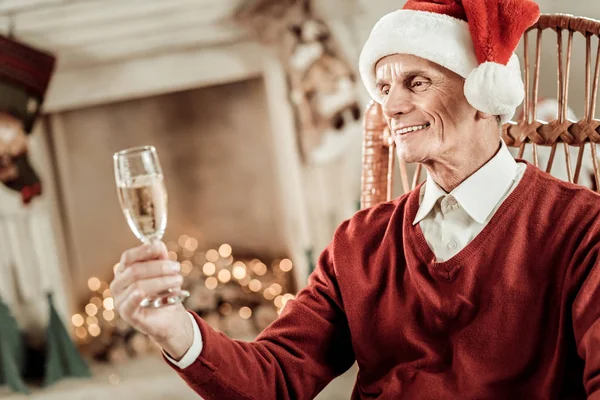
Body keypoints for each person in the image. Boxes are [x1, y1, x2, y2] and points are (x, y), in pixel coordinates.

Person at [110, 0, 600, 398]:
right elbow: (277, 377)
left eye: (417, 82)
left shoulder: (581, 228)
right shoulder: (360, 242)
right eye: (384, 87)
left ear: (482, 93)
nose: (391, 105)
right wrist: (175, 329)